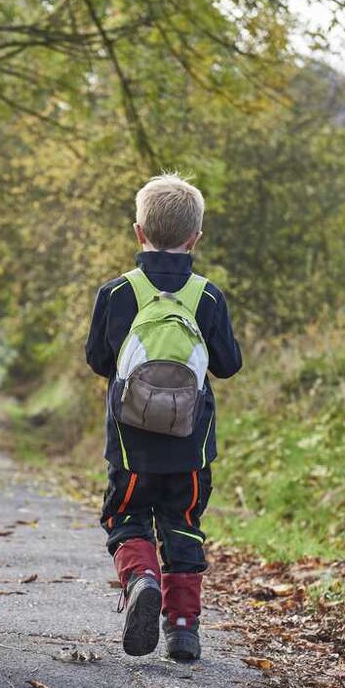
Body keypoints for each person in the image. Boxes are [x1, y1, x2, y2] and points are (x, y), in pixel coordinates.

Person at [84, 174, 242, 661]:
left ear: (138, 232)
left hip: (131, 445)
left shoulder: (116, 294)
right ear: (195, 238)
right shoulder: (208, 296)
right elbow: (228, 365)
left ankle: (140, 578)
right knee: (184, 521)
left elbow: (96, 359)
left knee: (125, 515)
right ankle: (182, 628)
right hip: (190, 445)